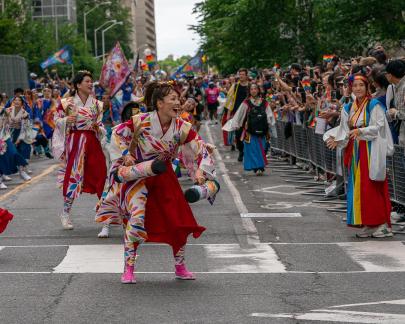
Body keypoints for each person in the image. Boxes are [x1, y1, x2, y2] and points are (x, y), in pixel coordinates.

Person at [95, 81, 216, 284]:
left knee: (178, 221)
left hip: (165, 176)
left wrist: (202, 166)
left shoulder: (182, 127)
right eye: (173, 99)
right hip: (139, 176)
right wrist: (126, 155)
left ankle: (180, 266)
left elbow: (198, 146)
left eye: (178, 99)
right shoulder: (141, 121)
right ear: (159, 103)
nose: (178, 102)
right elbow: (116, 134)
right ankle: (129, 269)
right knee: (135, 220)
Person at [325, 74, 393, 238]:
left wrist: (360, 130)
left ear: (367, 86)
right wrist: (337, 139)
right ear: (350, 88)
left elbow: (378, 127)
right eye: (355, 85)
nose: (358, 88)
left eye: (361, 85)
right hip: (355, 150)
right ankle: (369, 223)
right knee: (359, 188)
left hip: (371, 150)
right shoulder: (348, 107)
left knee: (373, 186)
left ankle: (382, 224)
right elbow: (343, 130)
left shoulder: (374, 104)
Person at [53, 71, 107, 230]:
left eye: (91, 81)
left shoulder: (97, 104)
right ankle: (65, 213)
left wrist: (99, 128)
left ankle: (105, 214)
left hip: (92, 142)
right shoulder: (66, 103)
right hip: (76, 142)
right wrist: (65, 120)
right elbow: (55, 120)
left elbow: (100, 125)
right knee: (73, 176)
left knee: (100, 174)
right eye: (87, 81)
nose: (91, 84)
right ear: (78, 85)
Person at [223, 83, 276, 175]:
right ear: (249, 91)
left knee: (262, 148)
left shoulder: (264, 102)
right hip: (250, 131)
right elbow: (239, 115)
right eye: (251, 89)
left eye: (255, 89)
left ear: (258, 90)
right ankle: (257, 167)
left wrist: (270, 126)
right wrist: (235, 125)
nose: (254, 91)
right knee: (252, 150)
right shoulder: (246, 102)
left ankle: (260, 166)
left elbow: (270, 116)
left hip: (263, 131)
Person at [223, 68, 249, 160]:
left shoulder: (250, 86)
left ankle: (247, 152)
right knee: (238, 134)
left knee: (249, 133)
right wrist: (229, 114)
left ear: (246, 75)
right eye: (240, 74)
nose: (241, 76)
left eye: (243, 74)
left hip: (249, 113)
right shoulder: (235, 86)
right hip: (237, 114)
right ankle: (241, 150)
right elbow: (230, 100)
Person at [386, 60, 405, 146]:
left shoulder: (403, 88)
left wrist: (395, 112)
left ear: (390, 75)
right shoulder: (398, 86)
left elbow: (403, 113)